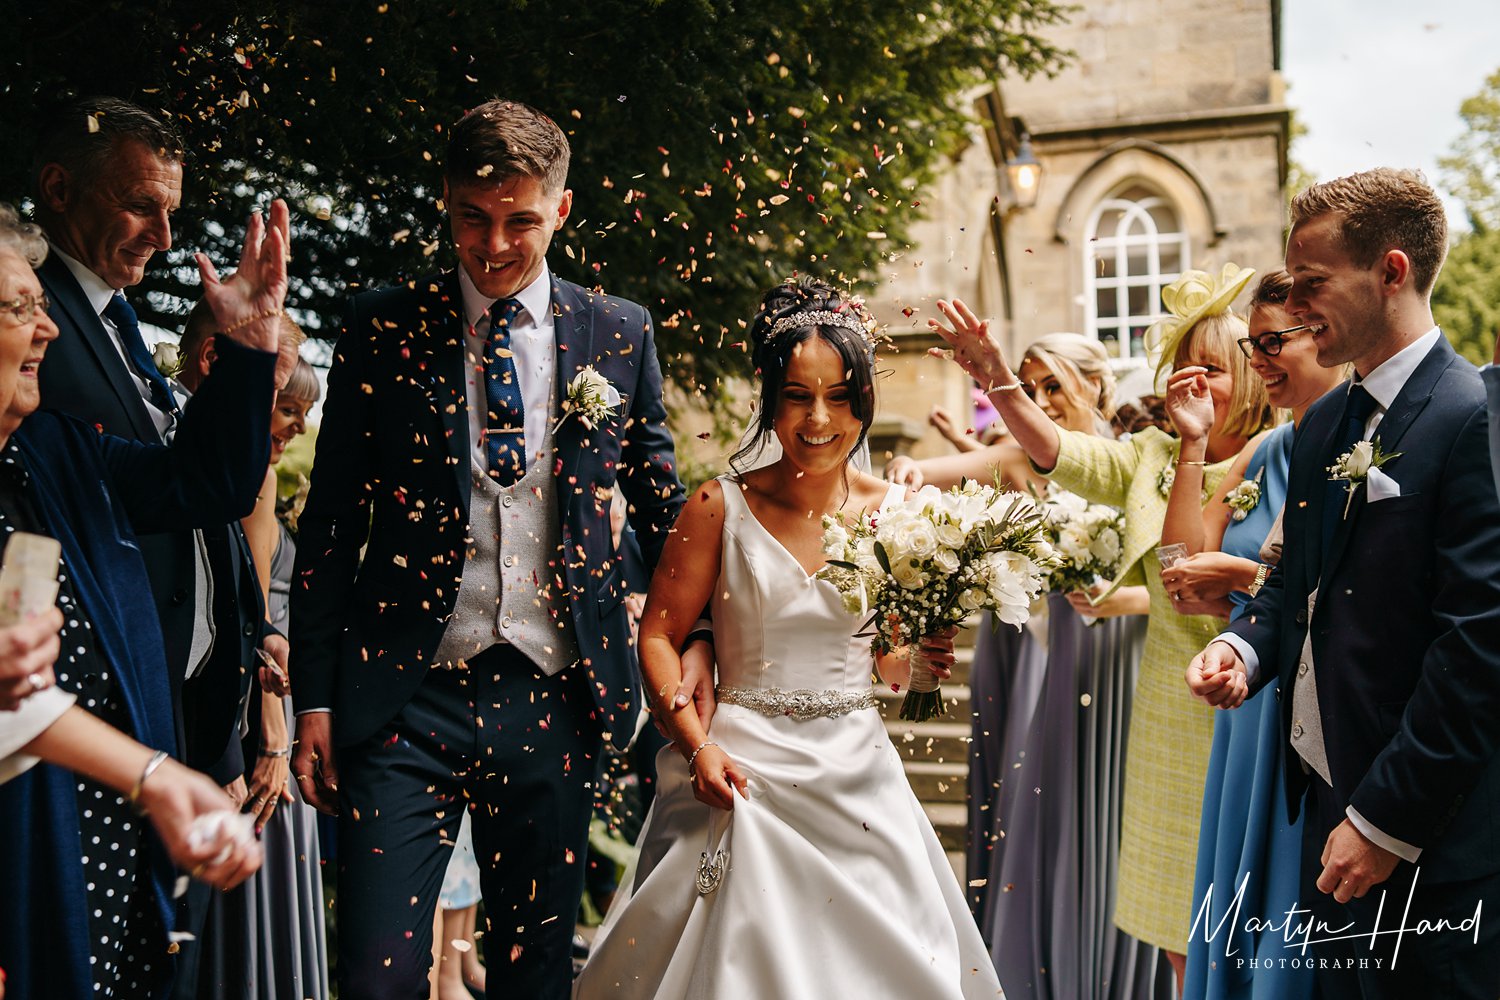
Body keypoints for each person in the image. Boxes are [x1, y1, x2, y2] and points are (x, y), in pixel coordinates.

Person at [289, 98, 688, 999]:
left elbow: (662, 504)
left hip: (555, 688)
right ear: (446, 202)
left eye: (521, 220)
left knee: (531, 974)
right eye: (472, 217)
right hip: (403, 691)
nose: (494, 244)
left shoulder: (618, 330)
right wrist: (312, 697)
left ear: (562, 208)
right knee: (375, 975)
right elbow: (331, 523)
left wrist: (697, 639)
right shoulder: (382, 325)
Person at [574, 276, 1002, 999]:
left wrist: (923, 651)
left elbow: (893, 672)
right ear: (768, 397)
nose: (818, 419)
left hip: (855, 774)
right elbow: (658, 634)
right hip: (742, 771)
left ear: (864, 400)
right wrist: (695, 744)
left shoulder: (900, 514)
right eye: (798, 396)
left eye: (839, 397)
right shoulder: (718, 506)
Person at [1188, 169, 1500, 998]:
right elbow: (1295, 580)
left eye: (1314, 284)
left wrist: (1385, 821)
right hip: (1327, 814)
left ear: (1391, 272)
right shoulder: (1326, 421)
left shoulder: (1472, 415)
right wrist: (1242, 648)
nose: (1295, 309)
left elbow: (1478, 645)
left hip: (1429, 836)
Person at [930, 273, 1273, 989]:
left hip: (1256, 702)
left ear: (1248, 372)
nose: (1195, 378)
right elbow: (1057, 451)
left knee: (1252, 930)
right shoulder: (1150, 454)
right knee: (1178, 931)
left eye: (1212, 365)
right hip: (1167, 715)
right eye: (1184, 363)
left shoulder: (1282, 451)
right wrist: (998, 380)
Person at [0, 199, 283, 998]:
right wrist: (155, 777)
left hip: (112, 830)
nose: (48, 330)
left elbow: (208, 483)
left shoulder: (56, 449)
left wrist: (248, 348)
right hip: (34, 831)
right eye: (22, 309)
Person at [889, 333, 1159, 999]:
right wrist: (902, 476)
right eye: (1028, 389)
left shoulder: (1134, 463)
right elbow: (928, 474)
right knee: (1050, 809)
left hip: (1126, 668)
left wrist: (1121, 599)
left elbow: (1180, 577)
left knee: (1119, 822)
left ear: (1096, 386)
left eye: (1053, 388)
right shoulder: (1017, 458)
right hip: (1056, 655)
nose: (1039, 402)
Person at [1161, 269, 1344, 1000]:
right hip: (1244, 705)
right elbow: (1180, 579)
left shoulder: (1362, 443)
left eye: (1272, 342)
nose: (1261, 358)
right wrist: (1193, 445)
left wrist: (1244, 575)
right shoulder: (1264, 453)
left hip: (1308, 702)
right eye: (1254, 343)